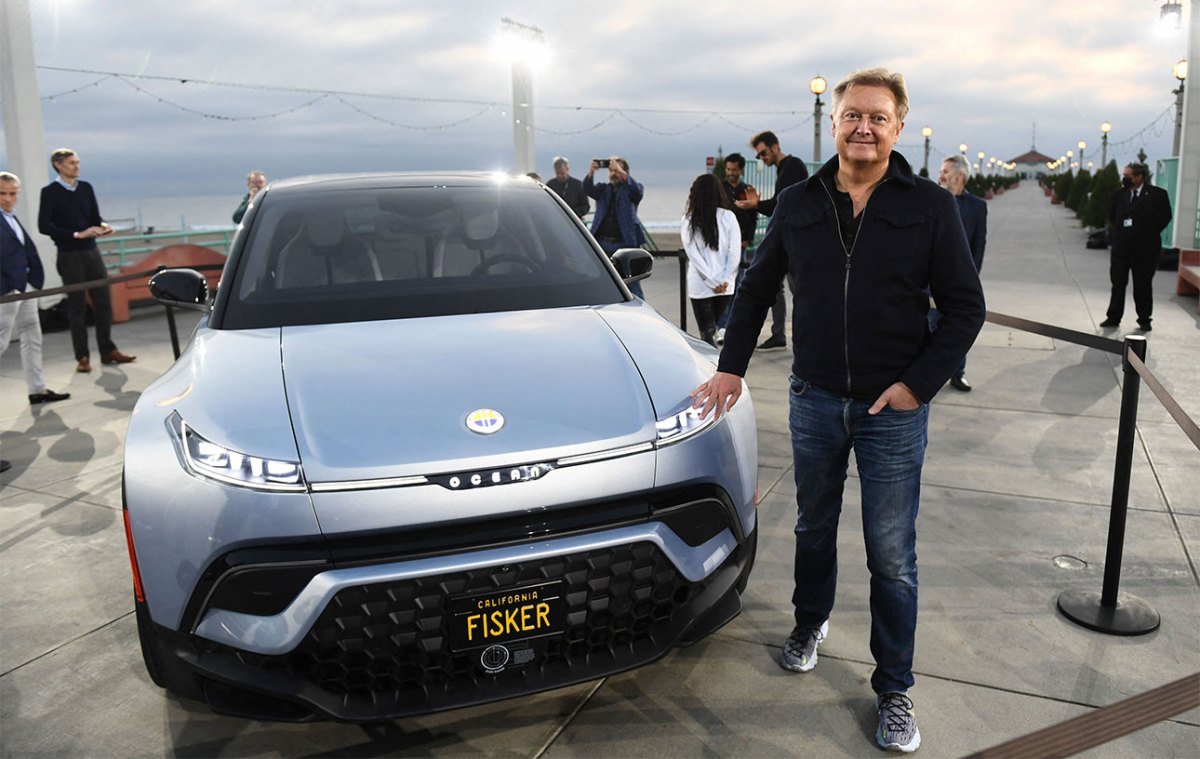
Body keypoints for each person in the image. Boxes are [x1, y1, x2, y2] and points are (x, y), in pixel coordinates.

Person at [690, 68, 985, 754]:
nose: (863, 127)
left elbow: (965, 307)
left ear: (898, 128)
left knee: (892, 554)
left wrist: (917, 386)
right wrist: (731, 365)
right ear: (834, 123)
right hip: (814, 399)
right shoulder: (799, 202)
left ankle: (894, 688)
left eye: (878, 118)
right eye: (853, 115)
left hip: (892, 412)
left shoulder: (929, 206)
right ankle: (810, 621)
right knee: (813, 527)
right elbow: (757, 286)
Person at [38, 149, 135, 373]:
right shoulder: (49, 193)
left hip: (92, 253)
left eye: (77, 162)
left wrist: (104, 226)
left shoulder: (85, 188)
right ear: (58, 165)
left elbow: (94, 218)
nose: (76, 166)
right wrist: (76, 234)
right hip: (69, 255)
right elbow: (44, 226)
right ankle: (82, 357)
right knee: (77, 306)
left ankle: (108, 350)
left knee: (103, 303)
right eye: (72, 163)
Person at [1, 171, 71, 412]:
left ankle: (37, 389)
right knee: (1, 340)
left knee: (32, 335)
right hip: (7, 290)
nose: (7, 198)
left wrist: (32, 280)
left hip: (26, 286)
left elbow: (22, 250)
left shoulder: (11, 217)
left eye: (12, 193)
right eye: (2, 193)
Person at [735, 131, 810, 350]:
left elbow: (781, 204)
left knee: (800, 292)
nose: (762, 158)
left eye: (763, 153)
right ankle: (778, 335)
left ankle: (805, 340)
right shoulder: (783, 168)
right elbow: (779, 206)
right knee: (775, 288)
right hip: (785, 239)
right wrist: (757, 205)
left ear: (775, 147)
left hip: (796, 240)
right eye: (759, 156)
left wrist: (755, 205)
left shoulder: (793, 165)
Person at [932, 154, 987, 391]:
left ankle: (958, 374)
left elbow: (979, 244)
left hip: (958, 282)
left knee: (958, 330)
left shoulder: (977, 206)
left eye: (945, 172)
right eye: (941, 171)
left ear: (960, 175)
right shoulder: (932, 199)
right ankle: (927, 378)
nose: (941, 176)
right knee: (929, 329)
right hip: (930, 281)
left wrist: (970, 279)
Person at [1101, 162, 1171, 331]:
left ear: (1139, 177)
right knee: (1118, 284)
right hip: (1121, 249)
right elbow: (1112, 216)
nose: (1125, 179)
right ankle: (1113, 317)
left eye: (1128, 176)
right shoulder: (1119, 194)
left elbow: (1165, 217)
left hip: (1145, 250)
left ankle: (1144, 319)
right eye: (1124, 175)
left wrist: (1146, 231)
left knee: (1143, 285)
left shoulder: (1157, 195)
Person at [680, 173, 740, 346]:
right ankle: (717, 361)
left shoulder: (688, 219)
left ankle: (710, 362)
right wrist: (724, 280)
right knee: (713, 329)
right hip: (725, 286)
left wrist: (712, 282)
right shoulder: (728, 217)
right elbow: (734, 253)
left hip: (701, 284)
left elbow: (693, 255)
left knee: (706, 332)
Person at [583, 156, 647, 298]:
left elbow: (638, 192)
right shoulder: (603, 189)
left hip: (625, 243)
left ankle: (638, 308)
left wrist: (620, 171)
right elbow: (588, 189)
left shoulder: (630, 190)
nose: (613, 173)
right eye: (611, 171)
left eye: (616, 170)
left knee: (632, 282)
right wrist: (591, 172)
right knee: (604, 281)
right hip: (603, 242)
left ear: (625, 172)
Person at [716, 153, 759, 342]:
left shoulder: (746, 190)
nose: (731, 173)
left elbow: (753, 216)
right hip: (722, 245)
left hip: (740, 245)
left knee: (739, 284)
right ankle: (721, 325)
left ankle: (733, 323)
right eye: (728, 169)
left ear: (741, 170)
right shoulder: (720, 188)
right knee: (722, 284)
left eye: (734, 170)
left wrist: (747, 239)